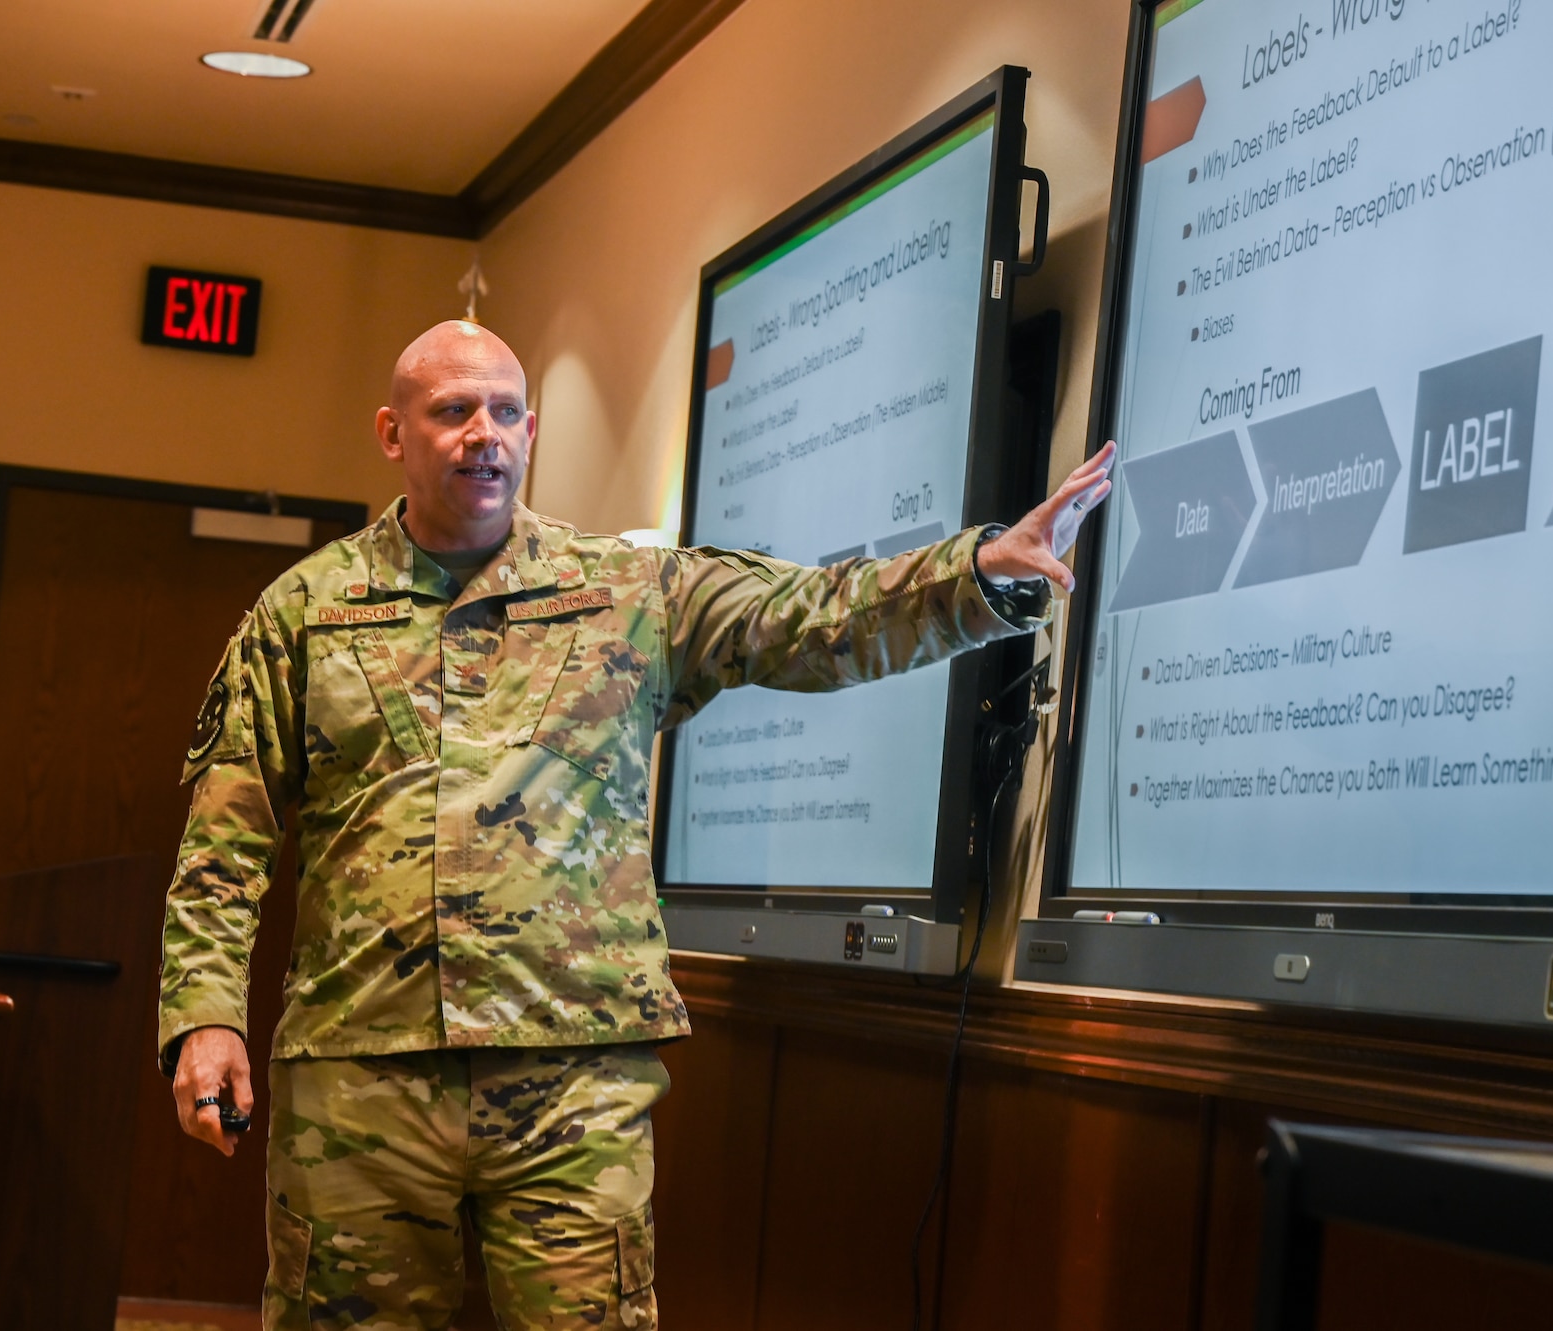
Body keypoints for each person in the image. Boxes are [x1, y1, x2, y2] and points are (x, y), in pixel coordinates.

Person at [158, 319, 1113, 1330]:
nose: (485, 433)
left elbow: (809, 615)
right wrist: (204, 1012)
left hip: (572, 1080)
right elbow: (228, 835)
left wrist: (976, 575)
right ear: (393, 434)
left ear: (531, 431)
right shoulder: (304, 610)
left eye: (507, 412)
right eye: (453, 412)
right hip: (359, 1081)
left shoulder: (625, 591)